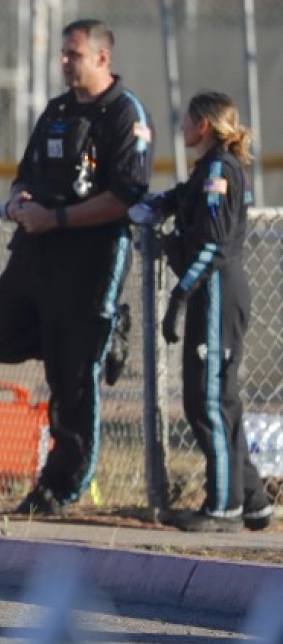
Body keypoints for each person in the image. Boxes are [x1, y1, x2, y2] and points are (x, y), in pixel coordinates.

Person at [0, 19, 152, 516]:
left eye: (74, 54)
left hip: (90, 259)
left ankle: (60, 485)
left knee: (73, 377)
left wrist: (60, 218)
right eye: (63, 55)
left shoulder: (124, 115)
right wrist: (18, 205)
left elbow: (127, 196)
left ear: (101, 59)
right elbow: (23, 176)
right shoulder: (57, 111)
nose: (66, 63)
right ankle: (81, 342)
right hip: (37, 251)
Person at [129, 91, 274, 533]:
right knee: (216, 400)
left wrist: (179, 294)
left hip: (216, 293)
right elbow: (185, 198)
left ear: (204, 126)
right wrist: (157, 205)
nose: (182, 127)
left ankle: (223, 507)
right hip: (210, 292)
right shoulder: (207, 169)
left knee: (208, 401)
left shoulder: (219, 170)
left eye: (188, 120)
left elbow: (212, 243)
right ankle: (251, 500)